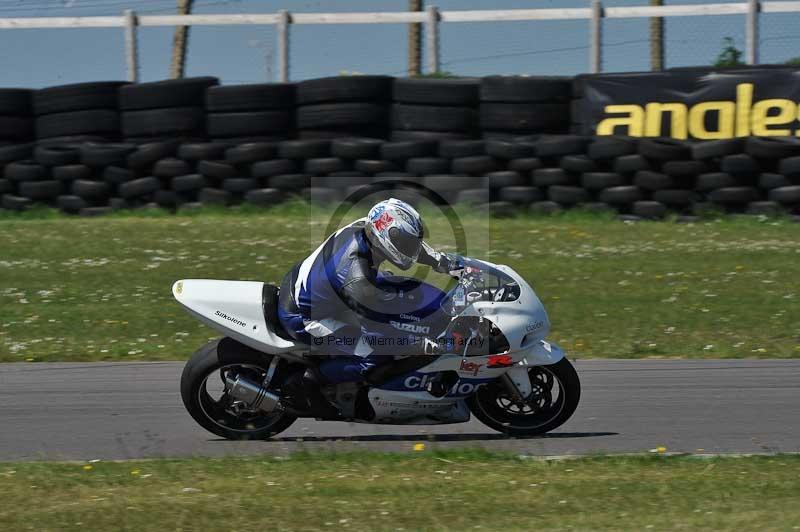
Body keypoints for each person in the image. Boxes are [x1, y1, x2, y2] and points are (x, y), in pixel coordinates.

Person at [277, 198, 461, 415]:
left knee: (404, 291)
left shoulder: (369, 226)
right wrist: (421, 344)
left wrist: (445, 263)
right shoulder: (357, 278)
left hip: (317, 287)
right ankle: (310, 381)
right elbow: (378, 335)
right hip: (306, 316)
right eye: (405, 242)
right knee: (374, 355)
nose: (410, 248)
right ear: (385, 234)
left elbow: (412, 248)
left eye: (412, 241)